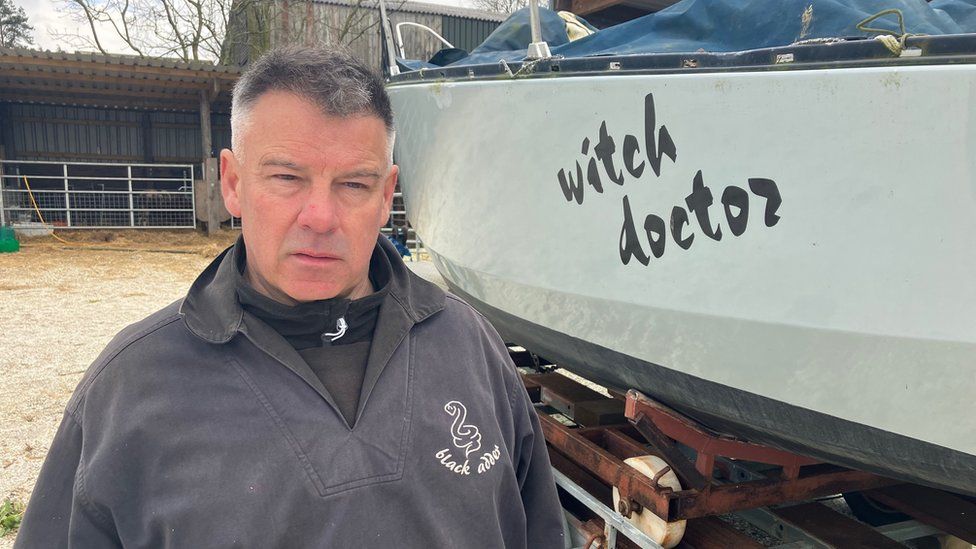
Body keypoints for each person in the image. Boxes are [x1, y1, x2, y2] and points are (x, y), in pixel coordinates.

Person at [15, 46, 565, 548]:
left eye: (354, 184)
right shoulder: (131, 388)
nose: (321, 217)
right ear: (233, 182)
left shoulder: (470, 350)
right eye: (286, 177)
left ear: (386, 195)